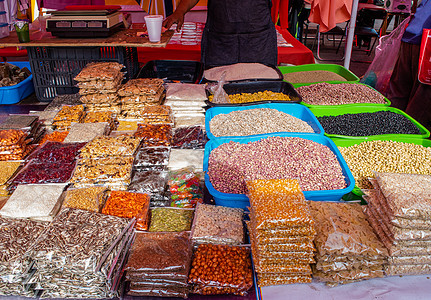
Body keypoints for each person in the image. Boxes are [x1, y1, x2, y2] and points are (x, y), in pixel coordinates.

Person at [162, 0, 278, 66]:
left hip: (259, 42)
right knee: (217, 91)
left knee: (261, 91)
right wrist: (180, 11)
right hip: (220, 43)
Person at [387, 0, 431, 130]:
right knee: (422, 102)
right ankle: (408, 139)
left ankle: (388, 133)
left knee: (399, 94)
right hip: (426, 41)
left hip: (413, 34)